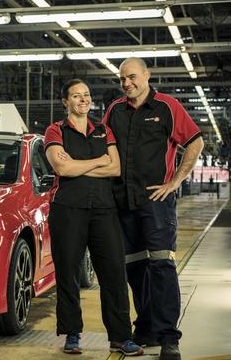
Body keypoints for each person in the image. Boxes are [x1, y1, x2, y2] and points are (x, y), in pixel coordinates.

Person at [103, 58, 204, 360]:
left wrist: (174, 182)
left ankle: (168, 336)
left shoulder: (167, 107)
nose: (126, 83)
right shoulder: (114, 110)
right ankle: (145, 326)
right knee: (135, 268)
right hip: (124, 203)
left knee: (161, 266)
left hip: (156, 203)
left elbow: (196, 142)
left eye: (132, 77)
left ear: (147, 75)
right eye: (122, 79)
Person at [44, 79, 143, 356]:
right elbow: (61, 167)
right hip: (67, 209)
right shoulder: (55, 130)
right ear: (66, 102)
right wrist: (98, 161)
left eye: (86, 95)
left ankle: (121, 337)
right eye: (76, 96)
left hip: (103, 209)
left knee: (113, 273)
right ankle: (72, 334)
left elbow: (115, 169)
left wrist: (79, 166)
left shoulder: (102, 129)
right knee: (68, 273)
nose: (83, 100)